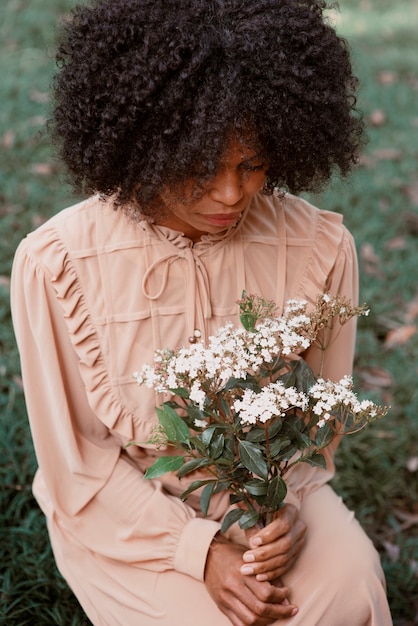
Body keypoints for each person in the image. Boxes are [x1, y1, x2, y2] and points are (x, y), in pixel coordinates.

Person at [10, 0, 393, 624]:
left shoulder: (319, 249)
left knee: (347, 588)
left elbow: (314, 427)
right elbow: (76, 465)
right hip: (122, 518)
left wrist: (283, 510)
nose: (231, 193)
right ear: (144, 145)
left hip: (271, 503)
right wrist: (199, 551)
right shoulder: (57, 263)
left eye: (251, 163)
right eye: (199, 168)